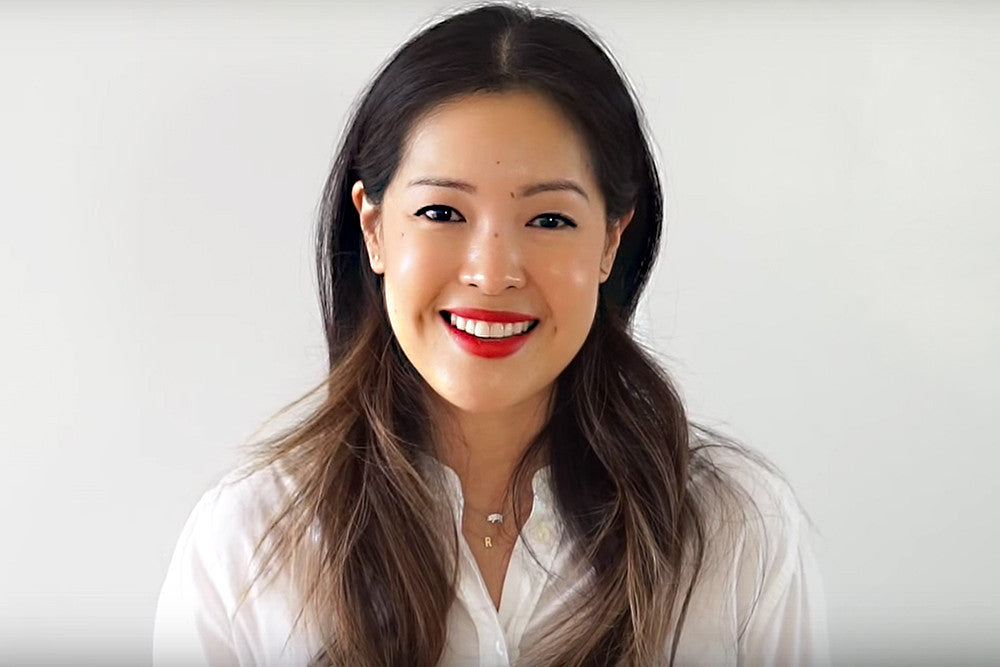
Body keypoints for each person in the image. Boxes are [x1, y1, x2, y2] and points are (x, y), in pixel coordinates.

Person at [153, 3, 829, 666]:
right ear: (375, 228)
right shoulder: (246, 544)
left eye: (550, 220)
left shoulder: (738, 530)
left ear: (610, 241)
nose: (492, 271)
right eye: (443, 211)